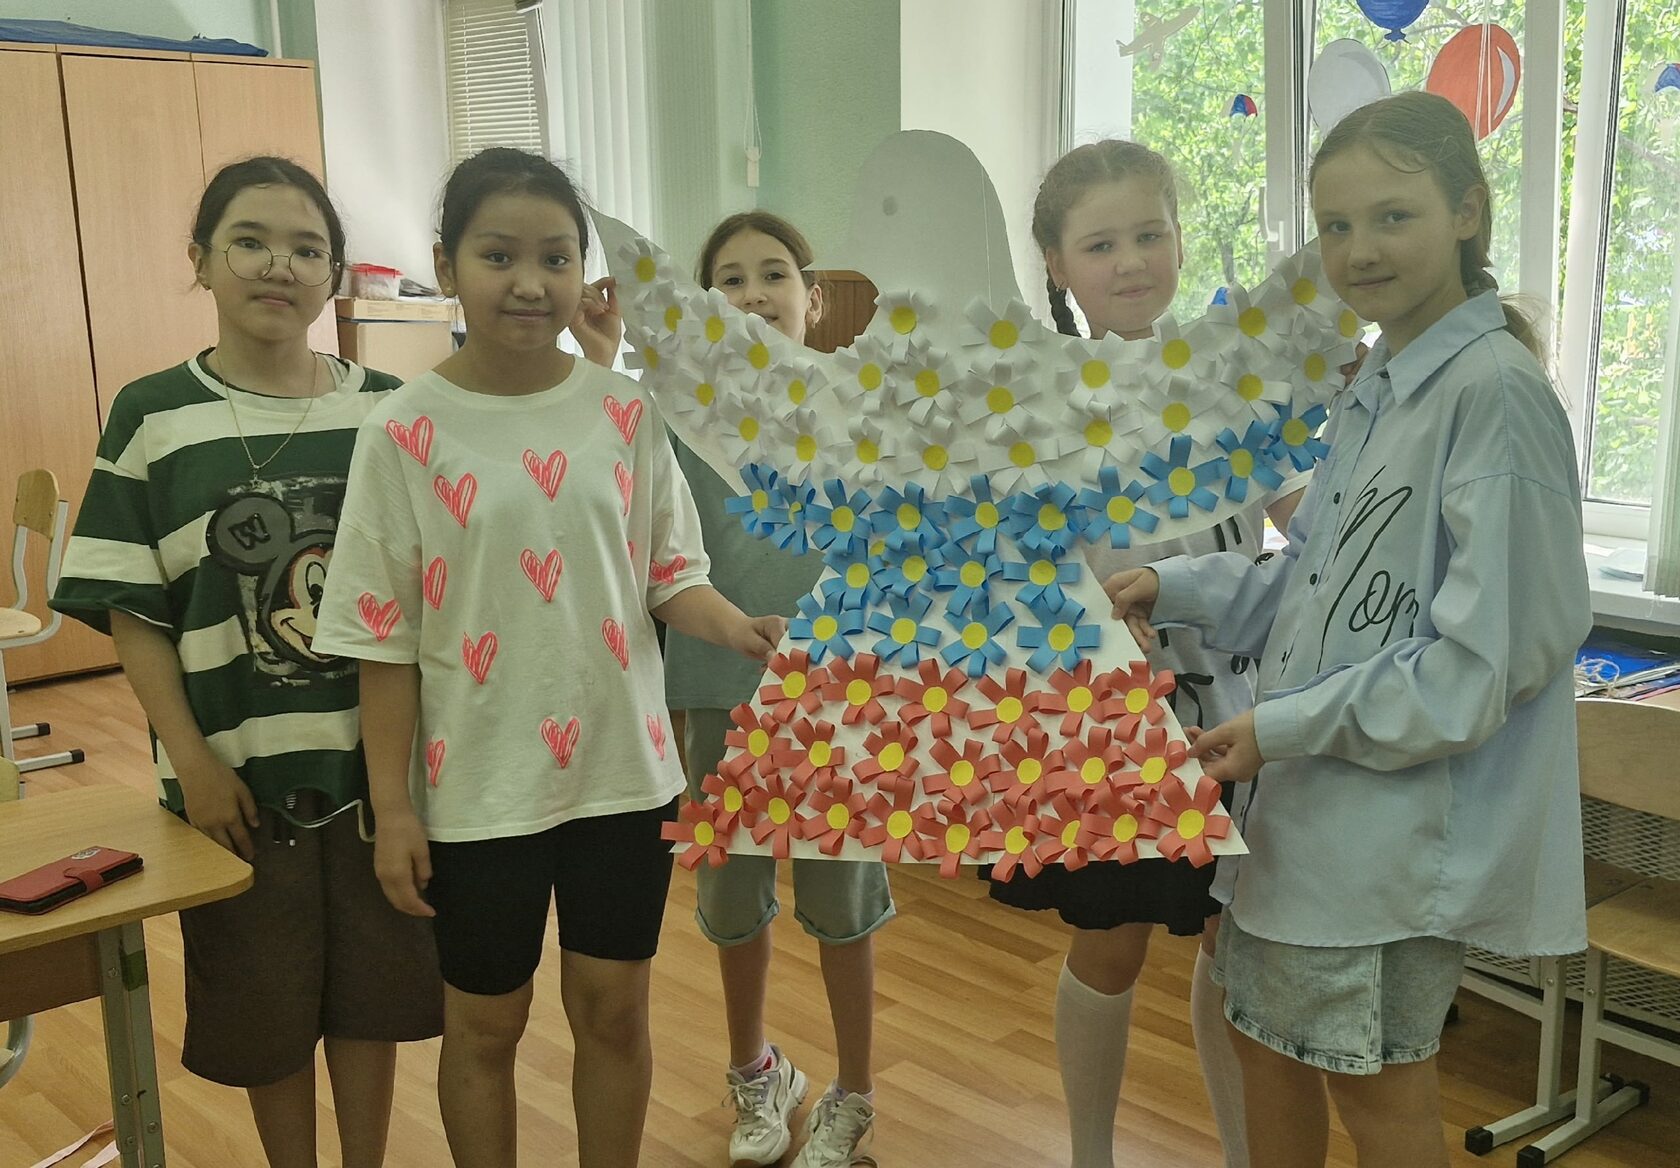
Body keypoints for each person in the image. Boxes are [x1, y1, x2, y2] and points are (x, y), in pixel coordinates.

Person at [1106, 92, 1591, 1168]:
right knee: (1265, 1050)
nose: (1359, 249)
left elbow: (1483, 666)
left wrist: (1280, 729)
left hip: (1385, 844)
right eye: (1335, 225)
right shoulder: (1380, 384)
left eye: (1392, 217)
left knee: (1374, 1097)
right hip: (1307, 821)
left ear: (1468, 211)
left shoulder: (1492, 395)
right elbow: (1313, 580)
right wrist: (1167, 583)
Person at [311, 147, 785, 1168]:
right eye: (499, 256)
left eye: (556, 258)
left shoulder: (624, 411)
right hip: (479, 787)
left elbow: (669, 574)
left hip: (623, 775)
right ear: (448, 265)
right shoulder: (402, 431)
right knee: (486, 1026)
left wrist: (739, 627)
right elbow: (380, 638)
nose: (530, 282)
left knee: (614, 1011)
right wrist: (393, 808)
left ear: (582, 272)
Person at [51, 156, 443, 1168]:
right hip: (235, 782)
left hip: (379, 776)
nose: (280, 266)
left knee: (373, 1000)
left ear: (334, 274)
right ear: (201, 260)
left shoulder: (394, 410)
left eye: (308, 249)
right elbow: (132, 606)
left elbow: (435, 593)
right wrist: (192, 759)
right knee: (266, 1009)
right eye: (251, 242)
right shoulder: (152, 414)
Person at [985, 139, 1307, 1168]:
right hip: (1107, 722)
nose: (1130, 261)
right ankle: (1090, 1153)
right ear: (1055, 263)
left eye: (1149, 235)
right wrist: (1077, 616)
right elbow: (1011, 567)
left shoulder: (1234, 381)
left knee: (1234, 947)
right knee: (1111, 943)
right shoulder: (1035, 406)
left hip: (1242, 709)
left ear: (1178, 237)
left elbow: (1306, 515)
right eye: (1100, 244)